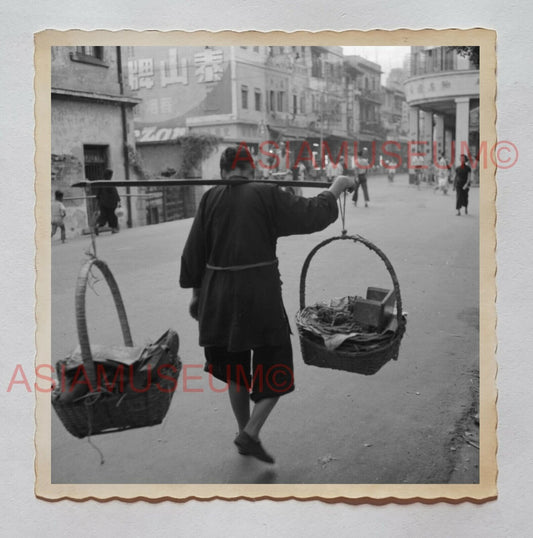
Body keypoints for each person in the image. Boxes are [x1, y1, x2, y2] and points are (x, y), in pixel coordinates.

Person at [179, 145, 354, 464]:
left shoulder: (210, 198)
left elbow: (194, 251)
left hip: (217, 293)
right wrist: (337, 187)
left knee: (235, 369)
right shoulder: (265, 193)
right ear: (252, 169)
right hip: (257, 293)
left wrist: (195, 294)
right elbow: (311, 214)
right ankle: (249, 433)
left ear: (223, 172)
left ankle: (245, 430)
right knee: (276, 364)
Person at [94, 169, 121, 234]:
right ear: (110, 175)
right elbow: (115, 194)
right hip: (112, 204)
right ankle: (114, 229)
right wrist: (119, 202)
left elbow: (98, 194)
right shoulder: (110, 183)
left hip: (102, 203)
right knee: (113, 217)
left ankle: (97, 226)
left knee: (103, 216)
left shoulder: (101, 183)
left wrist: (97, 203)